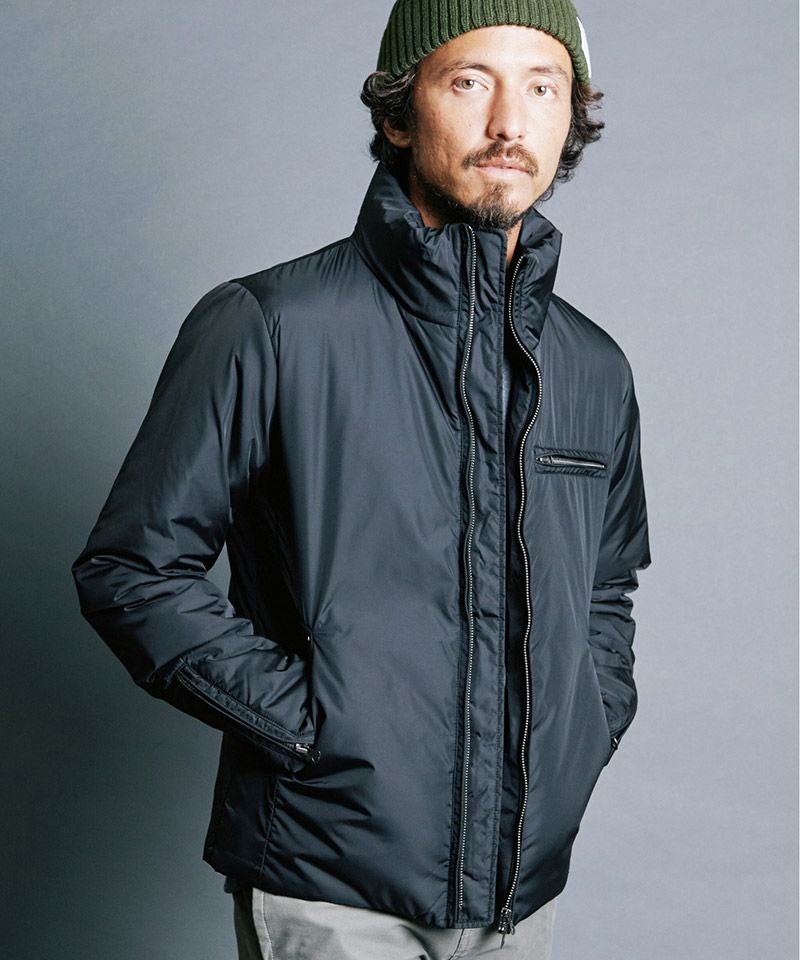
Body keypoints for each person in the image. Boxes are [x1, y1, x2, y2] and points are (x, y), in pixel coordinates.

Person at [72, 1, 651, 957]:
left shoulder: (593, 366)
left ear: (569, 120)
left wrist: (583, 727)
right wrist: (315, 729)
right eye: (470, 81)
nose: (509, 121)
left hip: (522, 892)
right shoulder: (270, 324)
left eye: (543, 88)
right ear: (399, 113)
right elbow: (133, 569)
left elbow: (605, 586)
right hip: (329, 878)